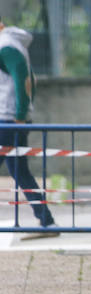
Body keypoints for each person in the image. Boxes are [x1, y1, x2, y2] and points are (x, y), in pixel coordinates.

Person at [0, 21, 58, 241]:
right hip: (10, 120)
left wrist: (20, 117)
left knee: (21, 171)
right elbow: (29, 80)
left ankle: (47, 221)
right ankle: (46, 221)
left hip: (8, 120)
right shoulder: (11, 43)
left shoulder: (6, 46)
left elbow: (23, 80)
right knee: (21, 172)